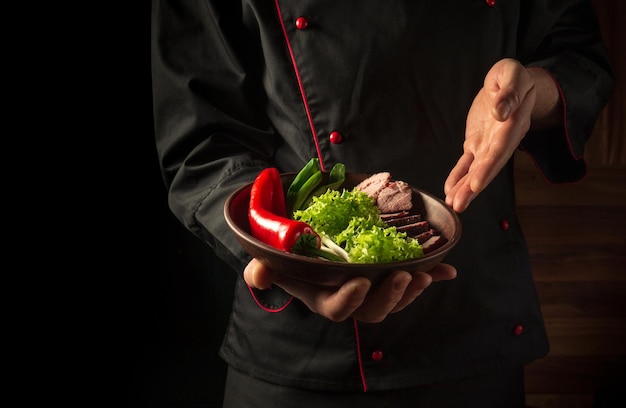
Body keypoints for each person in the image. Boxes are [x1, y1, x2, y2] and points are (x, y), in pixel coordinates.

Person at [151, 1, 614, 406]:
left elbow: (578, 54)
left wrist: (534, 89)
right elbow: (201, 139)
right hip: (302, 346)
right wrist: (290, 257)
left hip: (473, 324)